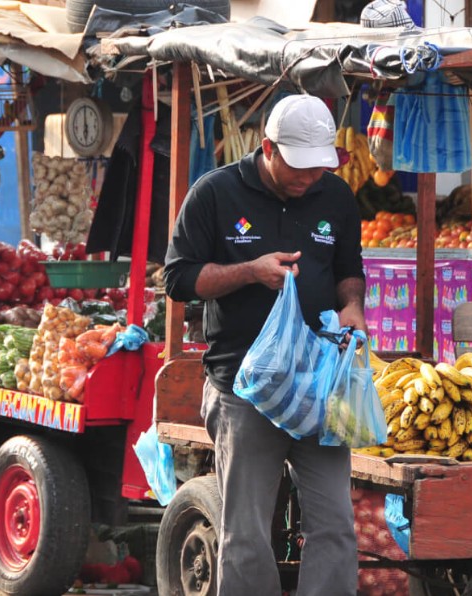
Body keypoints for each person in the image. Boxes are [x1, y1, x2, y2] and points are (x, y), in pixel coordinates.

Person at [164, 94, 366, 596]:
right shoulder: (214, 193)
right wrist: (251, 272)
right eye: (299, 168)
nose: (309, 179)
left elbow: (349, 271)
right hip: (244, 391)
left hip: (319, 385)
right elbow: (178, 278)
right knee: (248, 534)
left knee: (336, 526)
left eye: (318, 168)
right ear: (267, 147)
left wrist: (353, 307)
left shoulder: (336, 196)